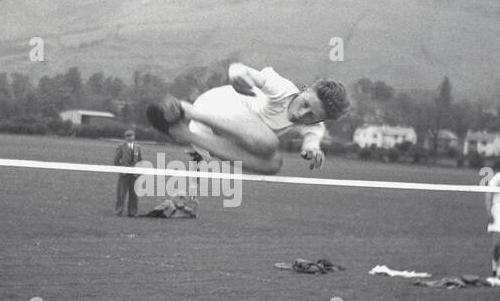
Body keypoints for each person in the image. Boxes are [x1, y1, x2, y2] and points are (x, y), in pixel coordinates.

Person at [144, 62, 349, 174]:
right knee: (269, 143)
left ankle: (181, 133)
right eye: (305, 105)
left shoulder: (314, 127)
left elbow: (311, 142)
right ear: (305, 90)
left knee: (274, 164)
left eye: (312, 116)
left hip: (209, 139)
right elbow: (241, 70)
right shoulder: (282, 89)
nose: (301, 114)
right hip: (213, 107)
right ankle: (186, 111)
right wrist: (238, 75)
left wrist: (311, 150)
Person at [113, 129, 142, 216]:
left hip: (134, 174)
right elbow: (116, 160)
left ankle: (132, 212)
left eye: (131, 135)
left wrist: (139, 170)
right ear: (125, 137)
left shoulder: (138, 147)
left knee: (134, 194)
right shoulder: (121, 146)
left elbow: (140, 159)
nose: (130, 137)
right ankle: (119, 211)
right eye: (127, 136)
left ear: (134, 136)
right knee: (121, 194)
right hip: (124, 174)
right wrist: (121, 169)